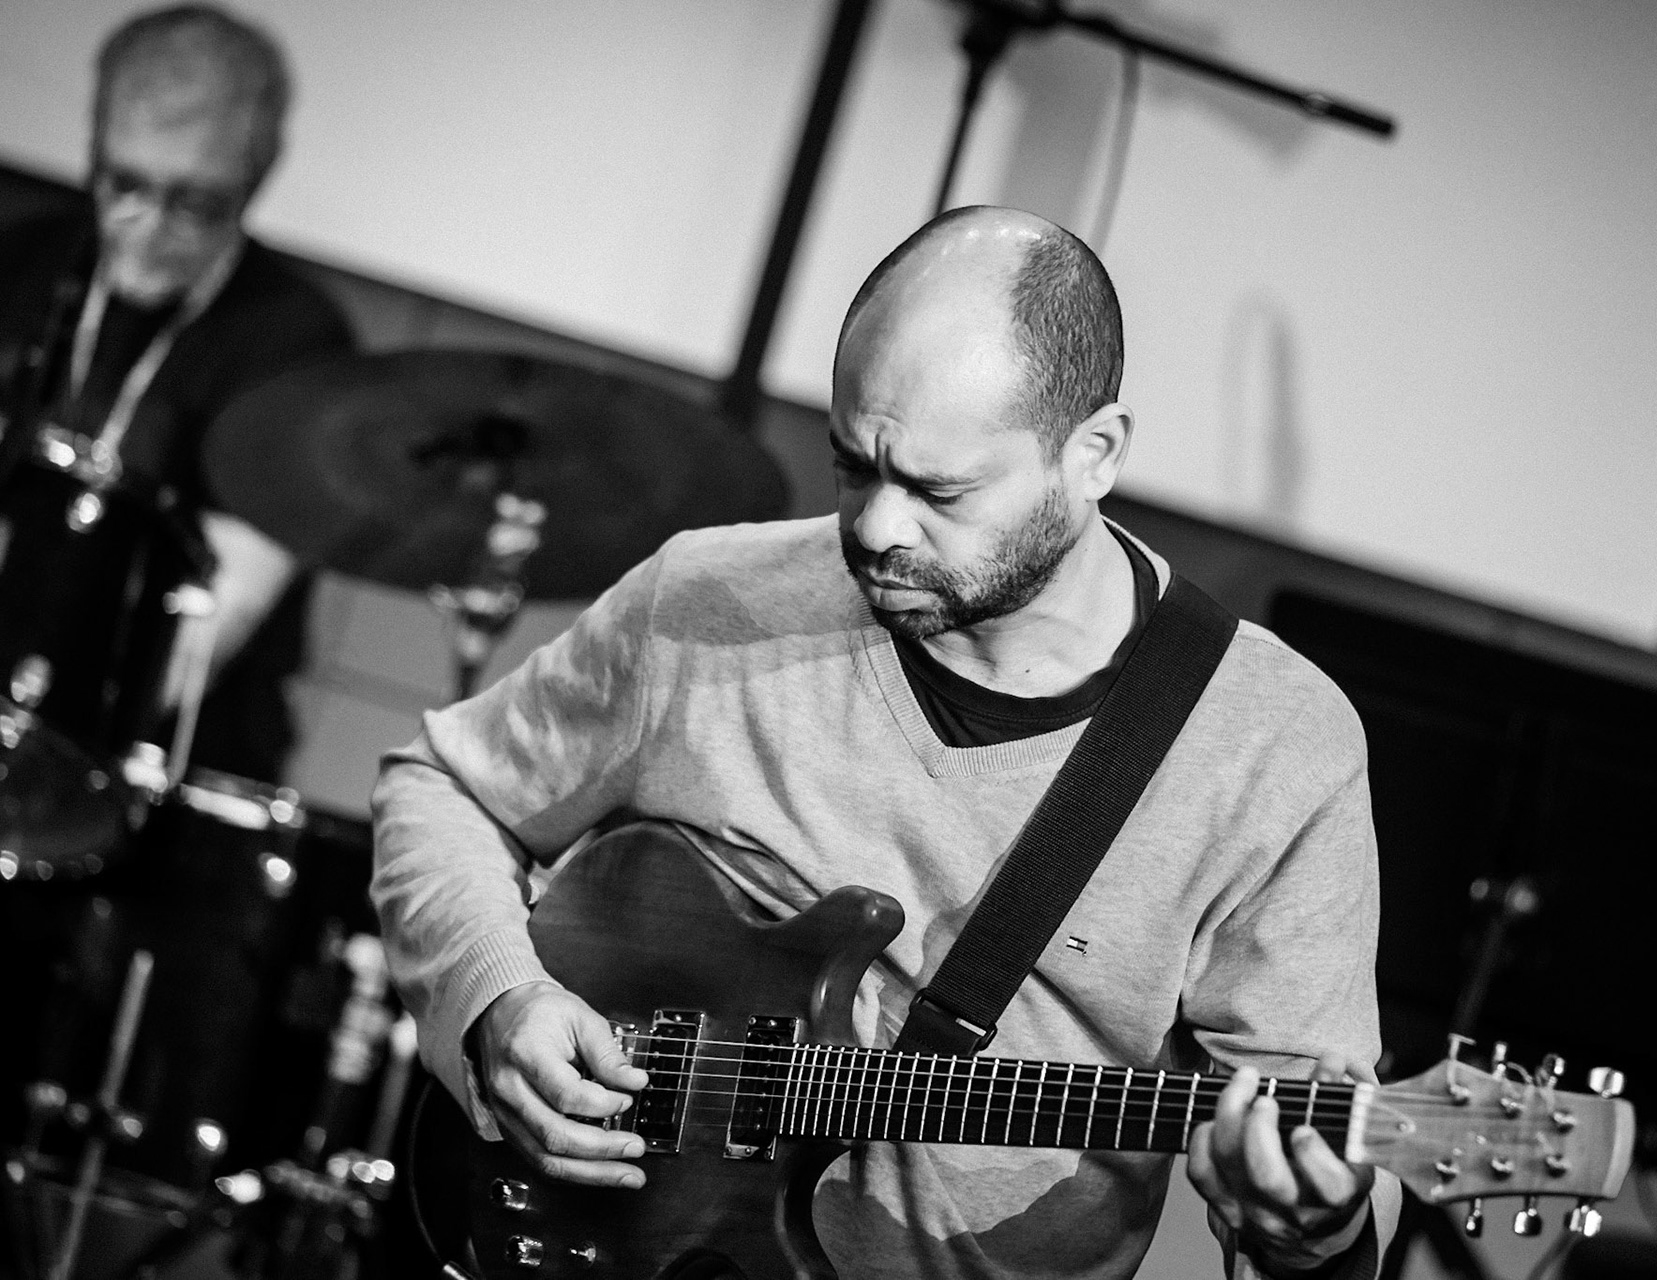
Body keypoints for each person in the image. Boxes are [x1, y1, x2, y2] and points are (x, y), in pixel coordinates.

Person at [371, 206, 1399, 1278]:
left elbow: (1306, 1191)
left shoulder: (1277, 744)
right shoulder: (708, 598)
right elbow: (442, 786)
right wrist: (500, 995)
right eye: (854, 465)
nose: (874, 527)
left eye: (938, 490)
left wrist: (1308, 1229)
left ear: (1092, 455)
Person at [0, 3, 354, 781]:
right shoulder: (20, 262)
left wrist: (40, 747)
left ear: (251, 185)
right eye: (124, 183)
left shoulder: (297, 341)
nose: (149, 226)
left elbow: (221, 615)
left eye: (196, 203)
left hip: (166, 752)